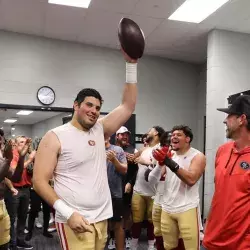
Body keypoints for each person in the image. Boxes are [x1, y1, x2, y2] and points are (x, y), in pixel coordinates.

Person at [33, 50, 138, 250]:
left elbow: (128, 105)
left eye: (98, 108)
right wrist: (67, 213)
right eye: (89, 105)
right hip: (74, 218)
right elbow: (39, 182)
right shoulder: (55, 136)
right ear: (76, 105)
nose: (93, 111)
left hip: (101, 216)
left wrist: (131, 64)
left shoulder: (100, 130)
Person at [202, 95, 250, 250]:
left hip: (240, 245)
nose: (224, 121)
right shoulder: (223, 151)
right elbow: (220, 194)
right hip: (211, 240)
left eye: (229, 116)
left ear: (242, 119)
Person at [153, 125, 206, 250]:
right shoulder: (170, 154)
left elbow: (191, 179)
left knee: (191, 247)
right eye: (173, 135)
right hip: (167, 207)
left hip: (187, 207)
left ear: (187, 139)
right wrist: (157, 165)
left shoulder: (198, 156)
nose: (174, 137)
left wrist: (169, 162)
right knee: (169, 246)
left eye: (178, 135)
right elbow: (153, 179)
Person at [131, 126, 165, 250]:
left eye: (150, 130)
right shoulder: (144, 149)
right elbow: (135, 159)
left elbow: (161, 167)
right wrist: (133, 157)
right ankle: (134, 245)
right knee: (136, 220)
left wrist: (145, 162)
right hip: (138, 190)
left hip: (153, 192)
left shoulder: (161, 149)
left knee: (152, 221)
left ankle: (151, 246)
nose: (147, 132)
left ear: (156, 133)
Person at [0, 131, 30, 250]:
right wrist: (8, 159)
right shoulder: (6, 156)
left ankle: (15, 242)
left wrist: (22, 157)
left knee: (3, 243)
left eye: (1, 139)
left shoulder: (2, 155)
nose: (1, 142)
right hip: (10, 195)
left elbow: (15, 177)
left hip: (1, 203)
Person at [4, 136, 36, 250]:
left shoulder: (27, 154)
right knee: (12, 219)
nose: (24, 144)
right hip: (15, 190)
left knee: (23, 217)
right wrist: (29, 160)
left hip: (26, 189)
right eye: (21, 142)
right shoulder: (13, 154)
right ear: (16, 145)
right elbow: (13, 172)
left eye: (25, 142)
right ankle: (12, 243)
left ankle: (20, 240)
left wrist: (31, 155)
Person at [115, 126, 138, 249]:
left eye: (126, 135)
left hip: (127, 186)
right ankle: (113, 238)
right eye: (122, 134)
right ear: (117, 136)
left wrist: (130, 182)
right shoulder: (111, 148)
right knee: (113, 215)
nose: (125, 137)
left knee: (127, 214)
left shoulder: (133, 150)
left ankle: (127, 237)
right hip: (114, 185)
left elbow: (136, 170)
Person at [105, 137, 127, 250]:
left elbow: (124, 170)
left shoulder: (117, 150)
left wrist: (114, 160)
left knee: (118, 226)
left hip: (115, 194)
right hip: (97, 196)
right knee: (102, 227)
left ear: (109, 136)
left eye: (105, 134)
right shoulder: (92, 149)